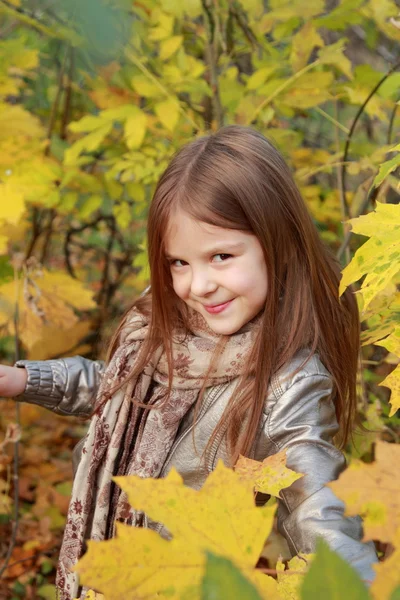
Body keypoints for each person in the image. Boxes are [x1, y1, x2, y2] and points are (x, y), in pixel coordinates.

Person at [0, 126, 377, 599]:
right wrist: (23, 379)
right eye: (179, 262)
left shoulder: (289, 382)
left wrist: (355, 587)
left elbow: (319, 505)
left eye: (221, 256)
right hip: (117, 565)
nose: (198, 285)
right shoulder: (170, 322)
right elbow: (124, 389)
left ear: (277, 242)